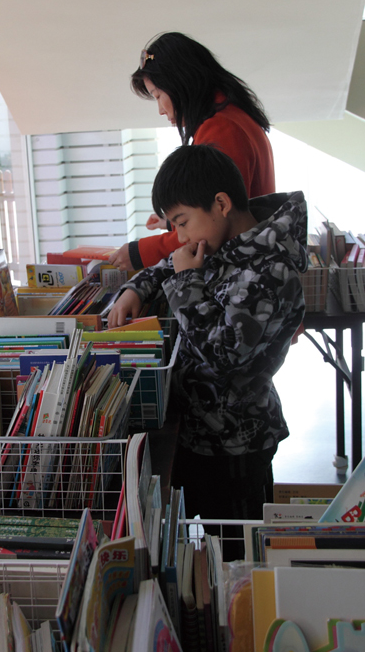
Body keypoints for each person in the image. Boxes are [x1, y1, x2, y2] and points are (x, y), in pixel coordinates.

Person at [107, 144, 307, 541]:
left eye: (182, 222)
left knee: (235, 552)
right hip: (198, 432)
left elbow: (223, 356)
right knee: (188, 544)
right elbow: (171, 262)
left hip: (236, 445)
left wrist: (185, 282)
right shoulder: (220, 241)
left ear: (221, 203)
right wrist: (135, 288)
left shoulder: (271, 270)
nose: (180, 237)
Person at [109, 31, 276, 271]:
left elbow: (219, 223)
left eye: (158, 95)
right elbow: (213, 209)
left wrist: (140, 253)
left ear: (180, 84)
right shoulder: (232, 116)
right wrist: (174, 222)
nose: (160, 110)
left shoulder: (221, 131)